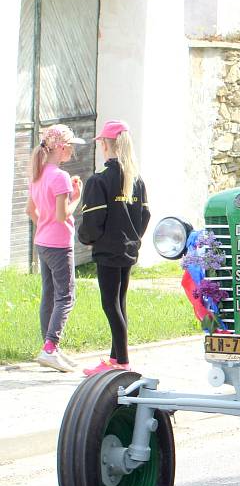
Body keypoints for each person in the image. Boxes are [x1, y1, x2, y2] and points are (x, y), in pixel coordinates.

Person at [78, 120, 150, 376]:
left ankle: (122, 361)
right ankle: (114, 357)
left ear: (106, 145)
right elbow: (145, 215)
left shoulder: (99, 181)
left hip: (108, 251)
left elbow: (93, 222)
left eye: (101, 143)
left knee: (110, 304)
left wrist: (86, 238)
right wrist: (133, 238)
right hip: (127, 250)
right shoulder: (136, 179)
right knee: (120, 303)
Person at [26, 125, 84, 372]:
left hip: (43, 242)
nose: (73, 150)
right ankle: (50, 347)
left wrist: (44, 226)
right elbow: (62, 215)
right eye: (71, 146)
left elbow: (31, 211)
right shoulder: (59, 176)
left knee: (49, 294)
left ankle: (50, 347)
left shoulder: (37, 174)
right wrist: (77, 197)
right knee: (66, 296)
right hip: (60, 244)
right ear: (61, 148)